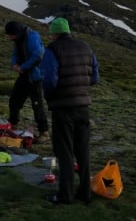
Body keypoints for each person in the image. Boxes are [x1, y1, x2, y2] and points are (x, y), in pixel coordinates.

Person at [40, 17, 99, 204]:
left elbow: (49, 79)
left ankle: (66, 195)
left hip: (63, 108)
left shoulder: (53, 50)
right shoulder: (86, 47)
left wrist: (49, 96)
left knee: (64, 151)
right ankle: (85, 192)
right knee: (83, 150)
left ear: (54, 34)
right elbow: (94, 77)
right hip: (83, 107)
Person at [4, 21, 50, 144]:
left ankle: (44, 132)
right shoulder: (18, 39)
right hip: (24, 75)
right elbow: (15, 54)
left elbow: (38, 55)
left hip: (35, 77)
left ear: (17, 33)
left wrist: (23, 67)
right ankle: (13, 125)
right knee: (14, 100)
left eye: (10, 35)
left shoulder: (32, 37)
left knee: (37, 105)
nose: (9, 38)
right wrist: (14, 64)